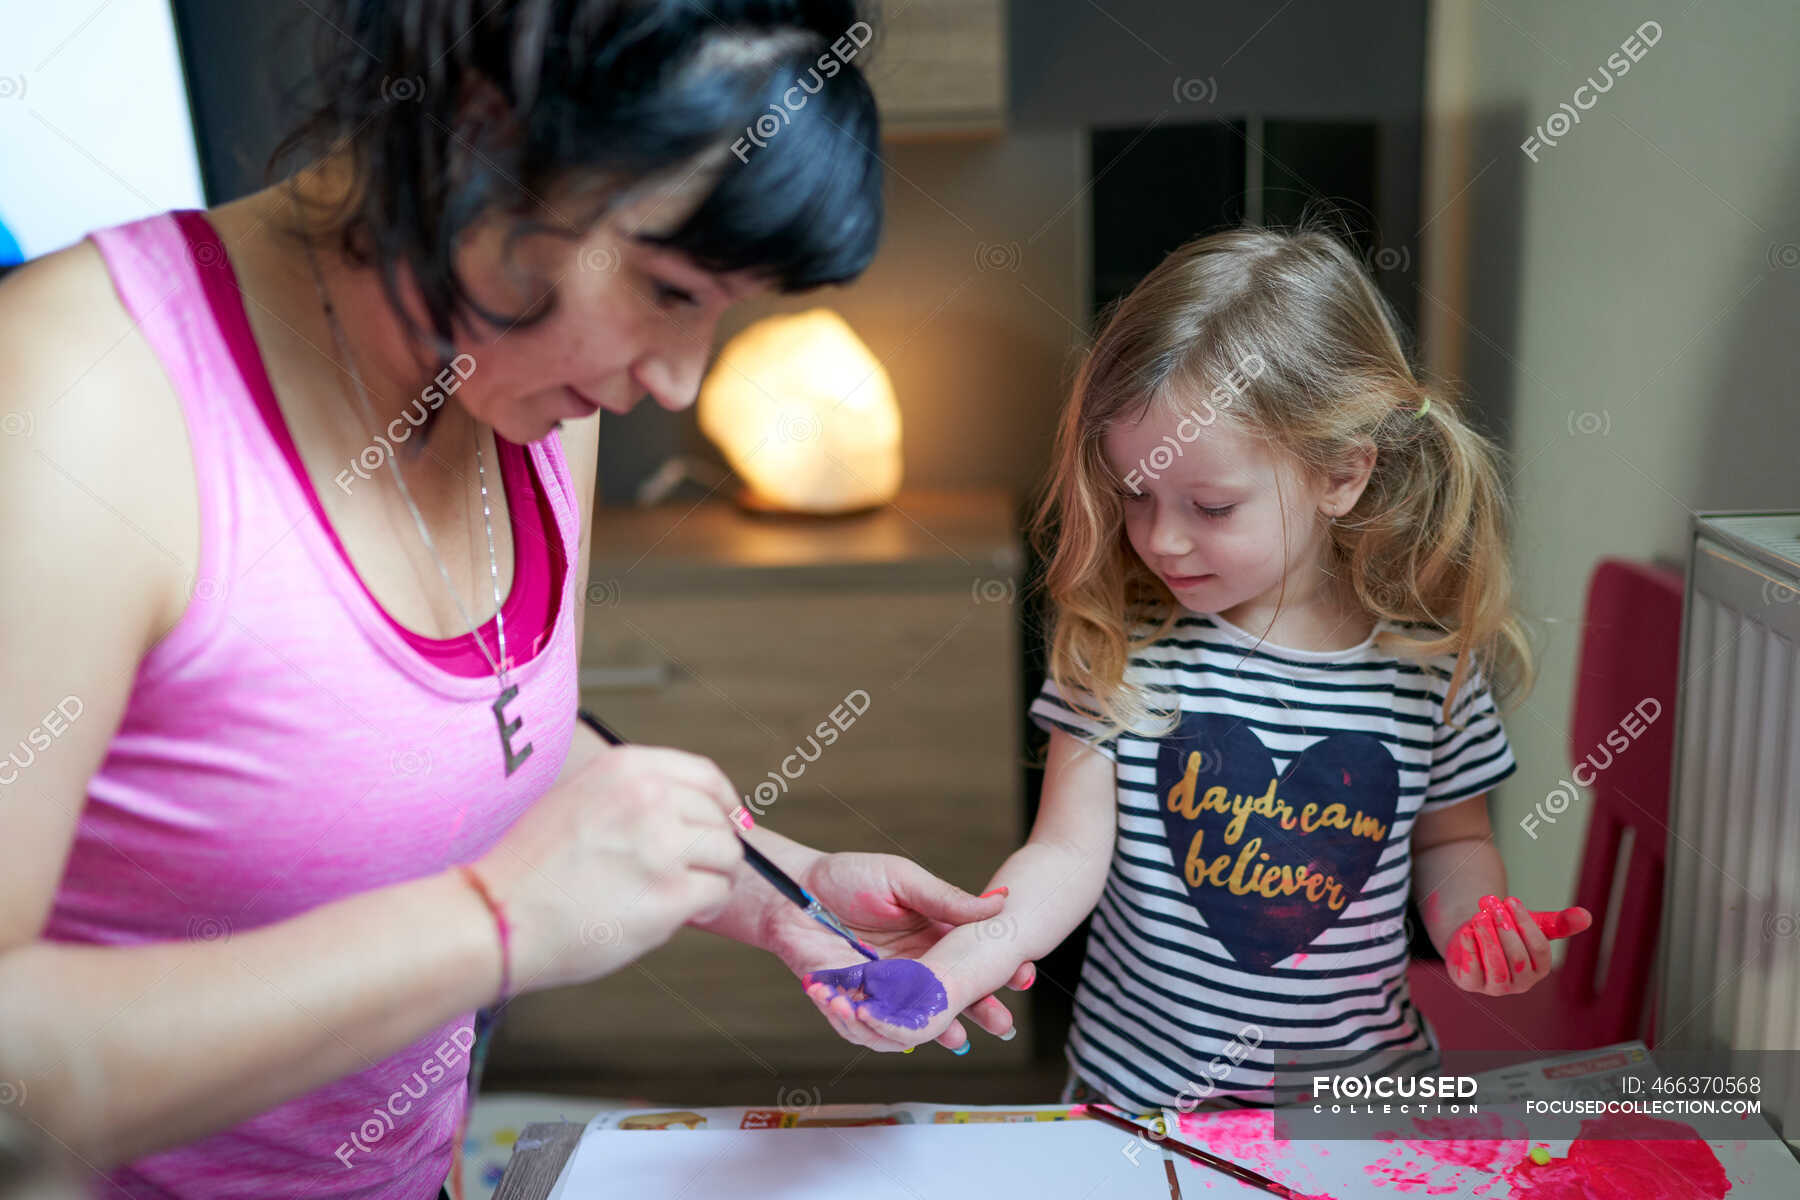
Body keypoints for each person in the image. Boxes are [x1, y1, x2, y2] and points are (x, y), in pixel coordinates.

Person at [0, 3, 1025, 1195]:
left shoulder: (530, 401)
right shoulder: (76, 401)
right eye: (665, 289)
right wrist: (493, 923)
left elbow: (483, 740)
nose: (679, 385)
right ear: (488, 131)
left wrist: (774, 882)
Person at [805, 226, 1593, 1108]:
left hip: (1360, 1107)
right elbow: (1063, 856)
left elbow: (1454, 842)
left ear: (1341, 474)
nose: (1162, 537)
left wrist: (1474, 927)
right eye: (1135, 494)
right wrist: (949, 974)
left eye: (1211, 505)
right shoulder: (1122, 645)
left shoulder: (1428, 668)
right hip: (1135, 1103)